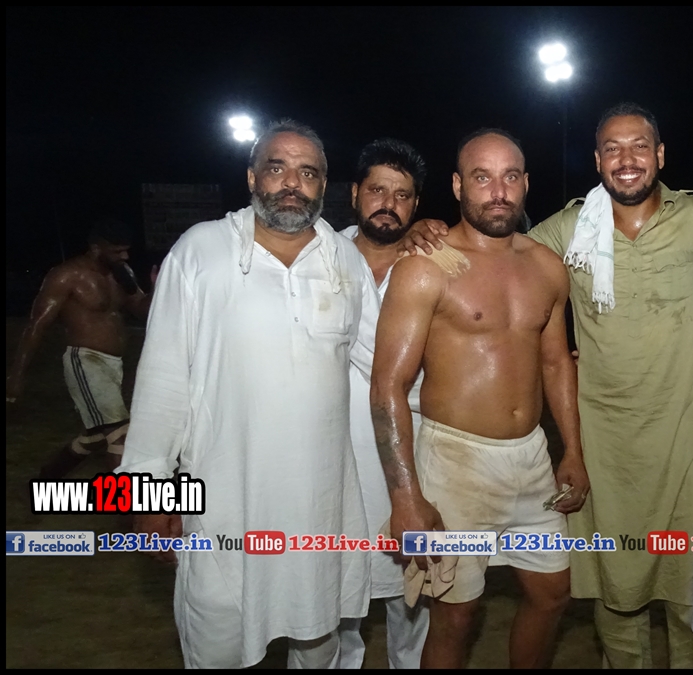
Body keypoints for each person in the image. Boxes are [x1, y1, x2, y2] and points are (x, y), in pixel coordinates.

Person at [400, 103, 693, 668]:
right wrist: (426, 230)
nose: (627, 159)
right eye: (613, 148)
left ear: (660, 154)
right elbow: (498, 248)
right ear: (597, 160)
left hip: (688, 442)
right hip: (604, 447)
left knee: (691, 591)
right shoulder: (568, 230)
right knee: (614, 592)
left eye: (639, 146)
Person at [118, 119, 375, 668]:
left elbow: (384, 365)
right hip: (225, 504)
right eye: (277, 168)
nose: (292, 183)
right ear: (252, 177)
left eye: (308, 172)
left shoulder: (344, 262)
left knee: (320, 643)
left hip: (319, 507)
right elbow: (163, 378)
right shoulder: (202, 251)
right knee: (218, 642)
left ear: (323, 185)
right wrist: (148, 494)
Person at [371, 128, 588, 669]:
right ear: (457, 185)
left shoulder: (546, 266)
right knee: (455, 616)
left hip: (531, 460)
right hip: (455, 464)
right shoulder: (425, 265)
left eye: (510, 177)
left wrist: (573, 451)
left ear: (525, 183)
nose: (498, 191)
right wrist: (405, 497)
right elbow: (388, 385)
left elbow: (556, 363)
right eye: (482, 177)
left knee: (552, 593)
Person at [335, 138, 431, 668]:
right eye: (377, 191)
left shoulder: (433, 263)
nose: (388, 204)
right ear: (355, 194)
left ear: (415, 206)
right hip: (333, 447)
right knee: (337, 585)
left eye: (402, 195)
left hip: (409, 440)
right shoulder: (319, 254)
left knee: (410, 587)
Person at [6, 218, 153, 478]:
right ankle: (124, 499)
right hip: (85, 361)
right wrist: (16, 376)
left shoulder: (122, 273)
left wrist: (156, 289)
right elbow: (36, 325)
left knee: (96, 436)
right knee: (120, 434)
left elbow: (143, 310)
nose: (125, 256)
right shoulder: (66, 276)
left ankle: (48, 477)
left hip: (113, 365)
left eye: (126, 250)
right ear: (96, 248)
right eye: (117, 251)